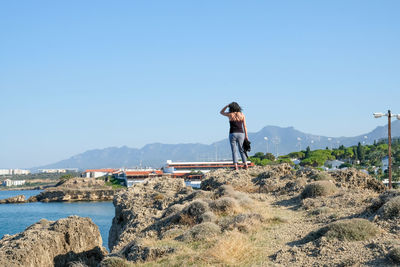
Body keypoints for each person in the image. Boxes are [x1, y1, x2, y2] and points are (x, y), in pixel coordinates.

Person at [220, 102, 248, 170]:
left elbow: (221, 112)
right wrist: (246, 135)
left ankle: (236, 165)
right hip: (241, 133)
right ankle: (245, 164)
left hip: (232, 133)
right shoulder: (242, 114)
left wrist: (226, 106)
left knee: (234, 150)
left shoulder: (230, 114)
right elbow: (244, 126)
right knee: (242, 150)